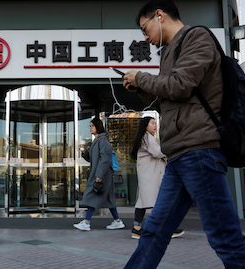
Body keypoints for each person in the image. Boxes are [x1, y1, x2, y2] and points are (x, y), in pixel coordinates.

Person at [122, 0, 245, 268]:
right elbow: (168, 97)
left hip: (200, 150)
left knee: (225, 236)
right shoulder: (170, 51)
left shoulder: (197, 37)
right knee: (154, 230)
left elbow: (179, 85)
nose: (146, 38)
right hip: (180, 154)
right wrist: (139, 87)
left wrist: (140, 77)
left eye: (145, 29)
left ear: (159, 15)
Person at [131, 116, 183, 239]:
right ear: (146, 125)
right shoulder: (147, 138)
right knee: (160, 202)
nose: (155, 125)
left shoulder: (144, 137)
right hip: (150, 176)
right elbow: (158, 152)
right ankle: (168, 228)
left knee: (143, 202)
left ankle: (136, 228)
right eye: (152, 123)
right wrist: (173, 150)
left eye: (155, 123)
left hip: (148, 175)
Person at [73, 118, 125, 231]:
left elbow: (105, 160)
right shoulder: (98, 140)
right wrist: (84, 153)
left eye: (92, 125)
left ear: (98, 126)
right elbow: (93, 159)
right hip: (102, 175)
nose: (90, 127)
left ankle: (86, 222)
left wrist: (99, 175)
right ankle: (117, 221)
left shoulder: (103, 141)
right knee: (109, 198)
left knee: (91, 196)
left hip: (101, 175)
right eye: (90, 126)